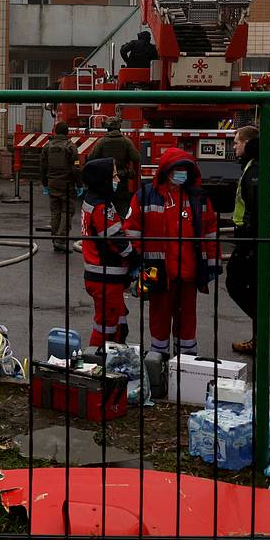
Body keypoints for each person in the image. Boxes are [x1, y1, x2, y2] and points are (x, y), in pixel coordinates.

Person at [125, 147, 218, 364]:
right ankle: (158, 360)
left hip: (189, 271)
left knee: (187, 318)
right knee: (158, 317)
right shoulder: (146, 196)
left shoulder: (199, 198)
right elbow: (131, 230)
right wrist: (135, 263)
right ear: (167, 171)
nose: (181, 174)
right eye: (177, 169)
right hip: (155, 270)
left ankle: (186, 363)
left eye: (185, 169)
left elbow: (210, 232)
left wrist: (211, 266)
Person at [225, 126, 270, 354]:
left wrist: (248, 241)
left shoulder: (257, 169)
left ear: (248, 144)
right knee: (254, 289)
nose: (234, 146)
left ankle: (268, 329)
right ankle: (262, 341)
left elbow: (256, 207)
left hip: (259, 238)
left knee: (236, 284)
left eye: (236, 142)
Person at [80, 158, 136, 347]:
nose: (118, 180)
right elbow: (116, 239)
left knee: (118, 319)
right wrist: (134, 257)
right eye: (113, 176)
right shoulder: (101, 207)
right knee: (106, 325)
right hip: (105, 275)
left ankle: (116, 352)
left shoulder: (94, 199)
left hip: (102, 274)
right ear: (101, 180)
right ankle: (97, 362)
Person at [39, 120, 80, 253]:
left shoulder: (47, 146)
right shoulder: (70, 146)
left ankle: (55, 239)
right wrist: (79, 184)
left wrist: (45, 184)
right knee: (66, 212)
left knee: (55, 211)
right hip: (67, 184)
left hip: (52, 183)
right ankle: (61, 240)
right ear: (67, 132)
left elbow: (42, 167)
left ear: (55, 131)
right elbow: (75, 168)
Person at [88, 117, 141, 217]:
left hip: (105, 178)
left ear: (107, 128)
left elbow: (91, 157)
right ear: (119, 127)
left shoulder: (101, 142)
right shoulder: (126, 141)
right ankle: (123, 227)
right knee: (121, 205)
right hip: (121, 178)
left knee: (106, 206)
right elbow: (136, 157)